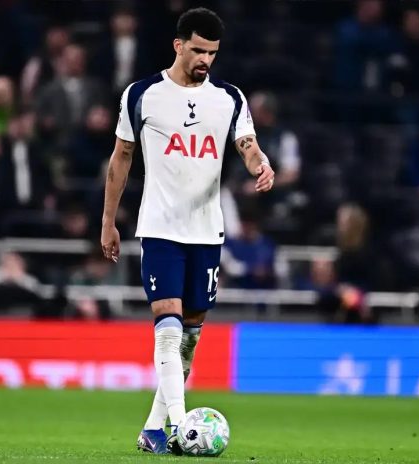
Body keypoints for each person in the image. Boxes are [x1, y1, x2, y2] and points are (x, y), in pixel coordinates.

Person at [99, 8, 275, 455]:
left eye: (212, 53)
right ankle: (182, 426)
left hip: (207, 231)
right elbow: (121, 158)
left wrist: (261, 164)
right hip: (160, 227)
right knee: (168, 328)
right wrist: (108, 221)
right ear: (178, 45)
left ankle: (154, 429)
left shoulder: (229, 98)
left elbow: (247, 145)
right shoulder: (143, 94)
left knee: (189, 339)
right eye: (198, 50)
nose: (205, 60)